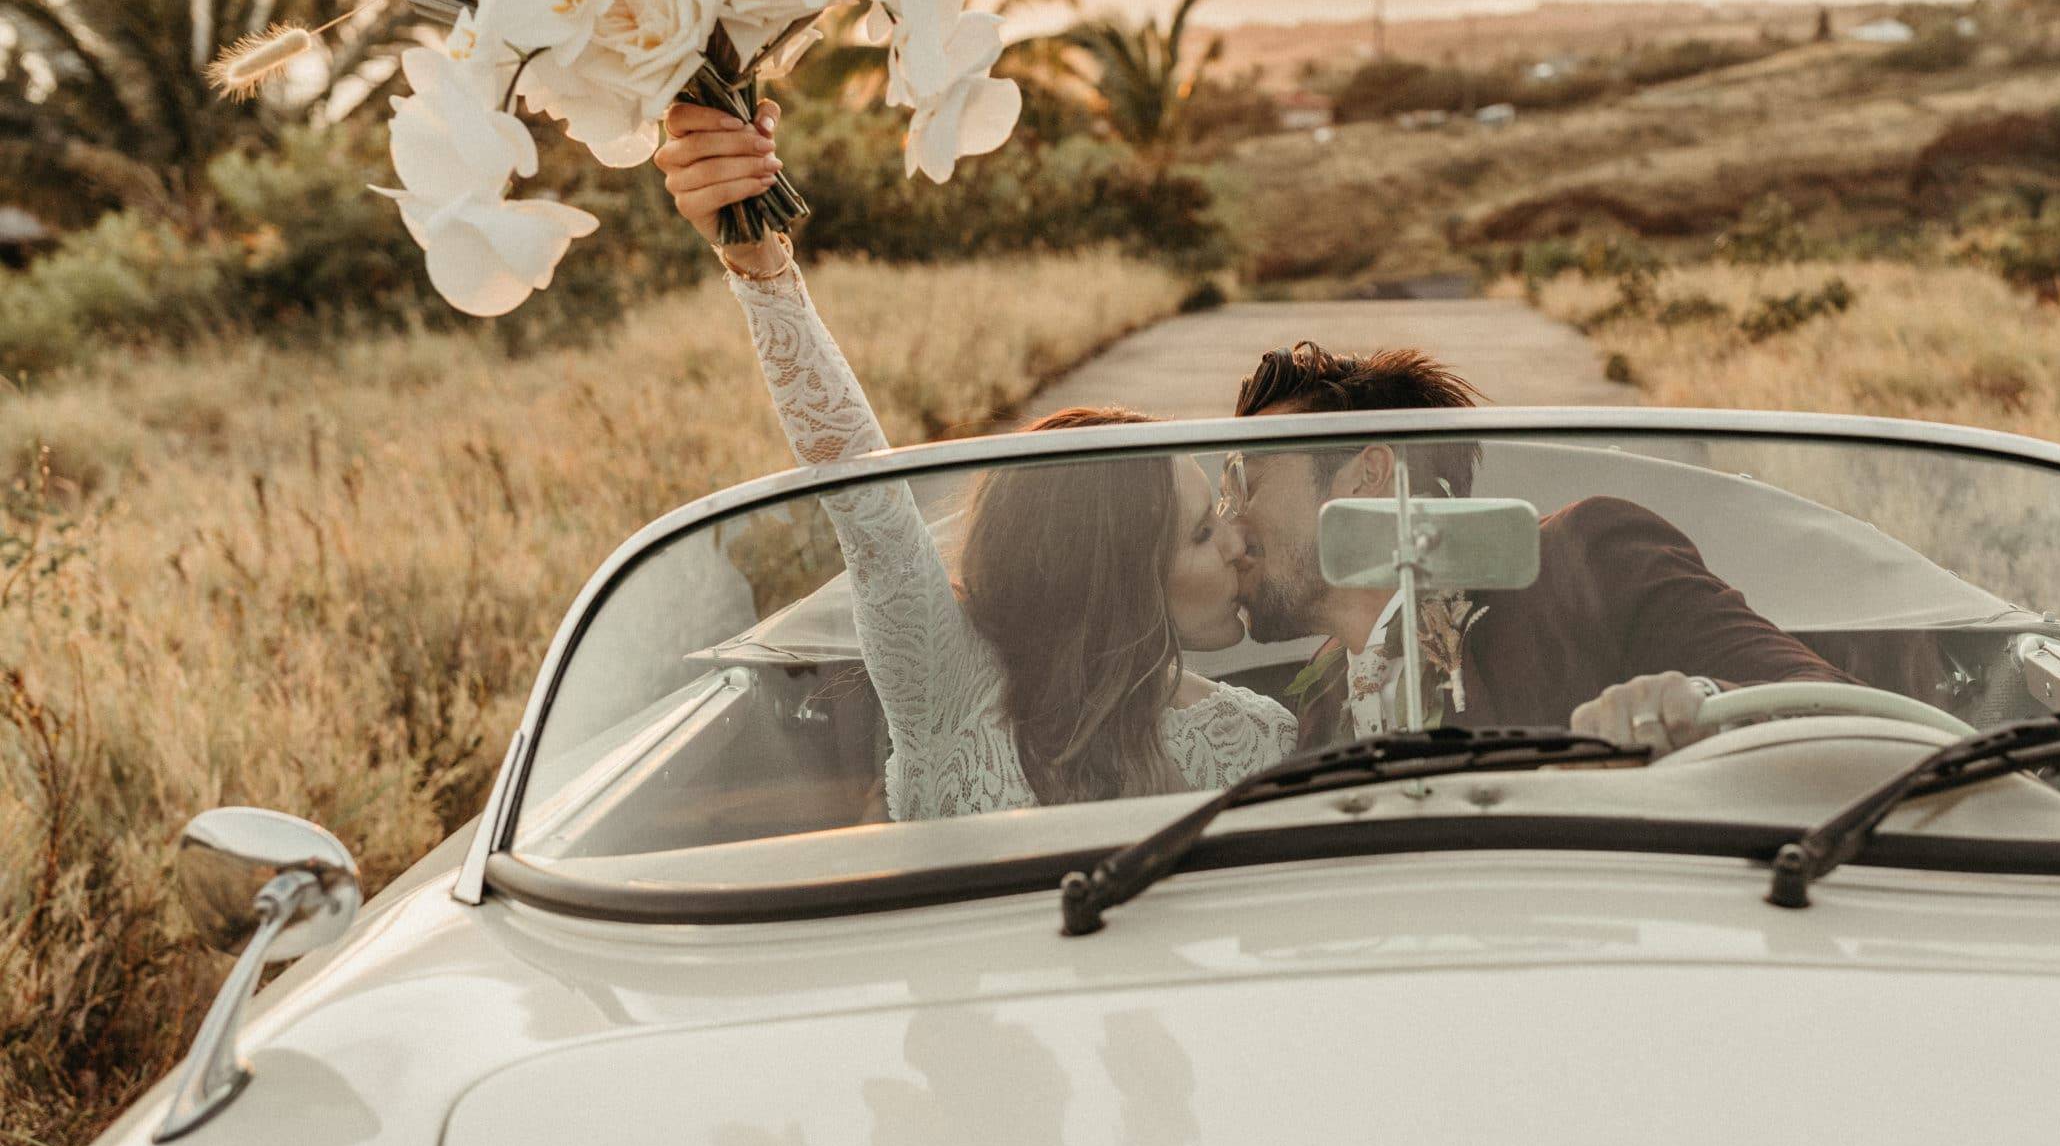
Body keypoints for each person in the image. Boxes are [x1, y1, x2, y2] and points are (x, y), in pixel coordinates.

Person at [656, 100, 1298, 820]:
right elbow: (865, 495)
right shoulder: (949, 682)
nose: (1238, 545)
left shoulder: (1256, 734)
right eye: (1202, 532)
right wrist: (760, 265)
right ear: (1119, 575)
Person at [1226, 341, 1852, 751]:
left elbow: (1830, 710)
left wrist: (1697, 707)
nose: (1232, 519)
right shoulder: (1320, 704)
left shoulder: (1586, 559)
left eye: (1244, 482)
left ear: (1367, 475)